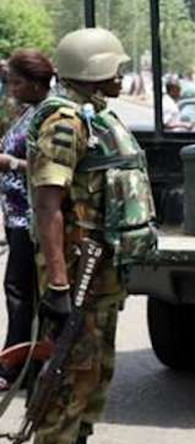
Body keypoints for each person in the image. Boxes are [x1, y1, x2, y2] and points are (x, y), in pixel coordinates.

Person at [26, 28, 142, 444]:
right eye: (115, 67)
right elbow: (47, 204)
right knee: (68, 383)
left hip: (99, 275)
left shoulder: (94, 116)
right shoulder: (64, 121)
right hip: (76, 277)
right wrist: (58, 284)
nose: (121, 76)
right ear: (93, 70)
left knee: (92, 382)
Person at [0, 50, 54, 392]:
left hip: (32, 219)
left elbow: (50, 167)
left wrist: (11, 164)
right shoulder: (27, 112)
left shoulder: (47, 117)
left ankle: (16, 365)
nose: (12, 89)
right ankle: (24, 362)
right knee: (21, 291)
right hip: (16, 214)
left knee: (22, 292)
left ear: (36, 84)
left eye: (17, 82)